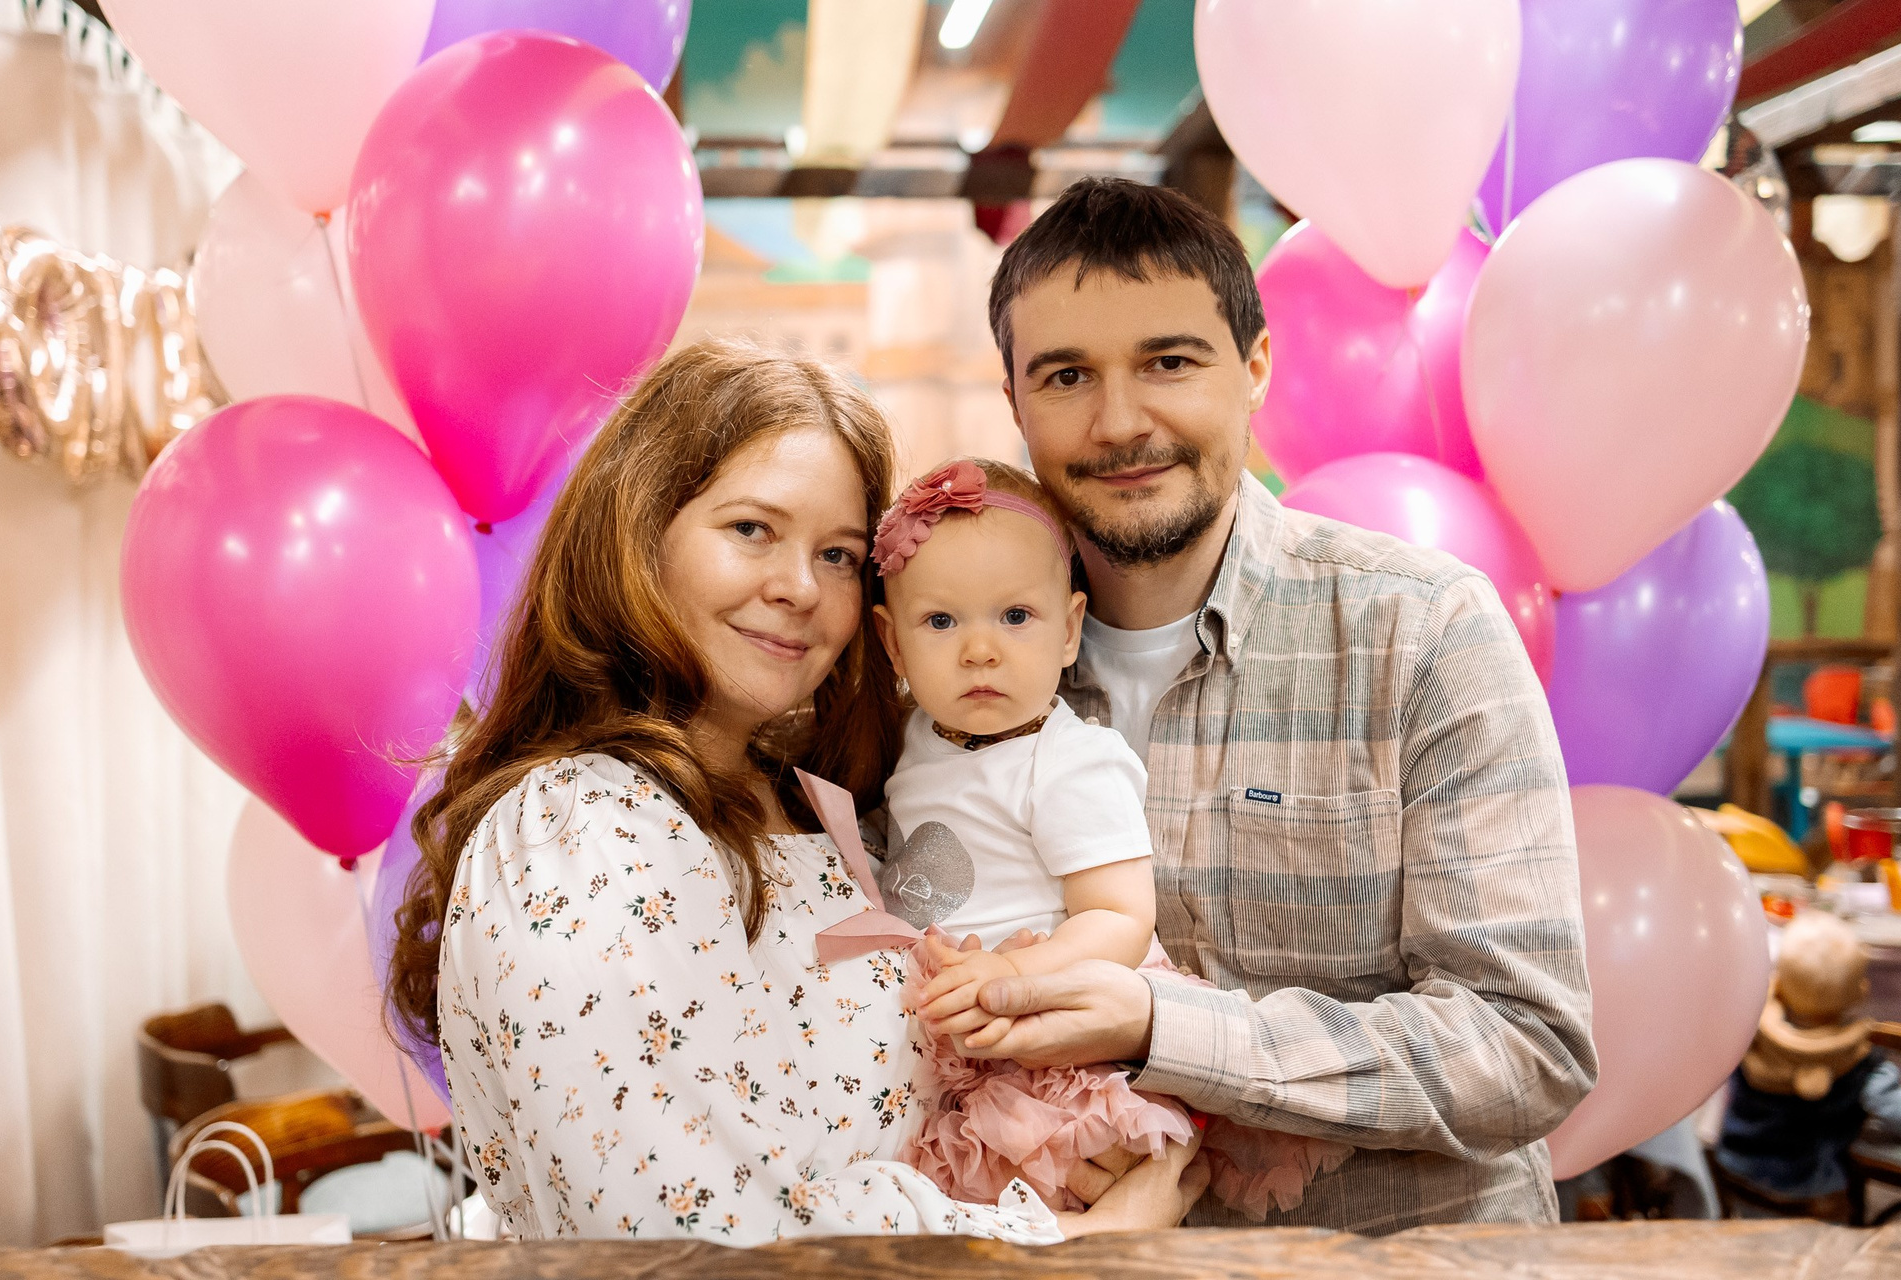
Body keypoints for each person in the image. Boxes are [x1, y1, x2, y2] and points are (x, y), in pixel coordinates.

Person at [385, 340, 1207, 1242]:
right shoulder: (579, 831)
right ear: (637, 531)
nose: (800, 588)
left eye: (840, 555)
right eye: (751, 530)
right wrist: (1076, 1241)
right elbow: (692, 1232)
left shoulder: (823, 797)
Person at [953, 177, 1597, 1234]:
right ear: (1016, 403)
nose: (1121, 422)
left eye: (1169, 361)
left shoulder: (1422, 631)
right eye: (1067, 376)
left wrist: (1163, 1028)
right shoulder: (954, 672)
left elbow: (1528, 1044)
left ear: (1255, 368)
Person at [868, 455, 1347, 1214]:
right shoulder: (912, 739)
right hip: (965, 1044)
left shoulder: (1069, 761)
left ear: (1069, 629)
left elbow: (1120, 918)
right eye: (941, 621)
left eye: (1015, 617)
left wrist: (1011, 977)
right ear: (894, 644)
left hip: (1060, 1035)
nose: (979, 649)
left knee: (1060, 1188)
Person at [1716, 910, 1901, 1211]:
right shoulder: (1863, 1065)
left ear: (1779, 986)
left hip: (1737, 1174)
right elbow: (1895, 1113)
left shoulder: (1748, 1036)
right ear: (1860, 992)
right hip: (1813, 1192)